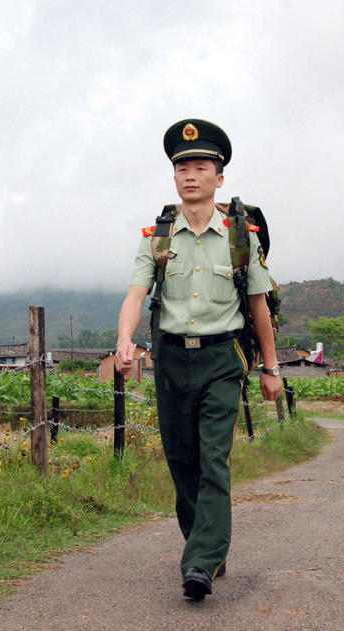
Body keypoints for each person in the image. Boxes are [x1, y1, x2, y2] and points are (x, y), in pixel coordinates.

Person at [114, 118, 281, 600]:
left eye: (201, 166)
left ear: (219, 176)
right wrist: (124, 340)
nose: (191, 174)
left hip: (222, 359)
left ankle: (200, 563)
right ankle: (208, 547)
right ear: (174, 176)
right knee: (182, 461)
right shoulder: (157, 236)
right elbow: (134, 294)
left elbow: (258, 308)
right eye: (182, 166)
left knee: (213, 460)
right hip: (171, 361)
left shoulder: (240, 235)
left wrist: (270, 369)